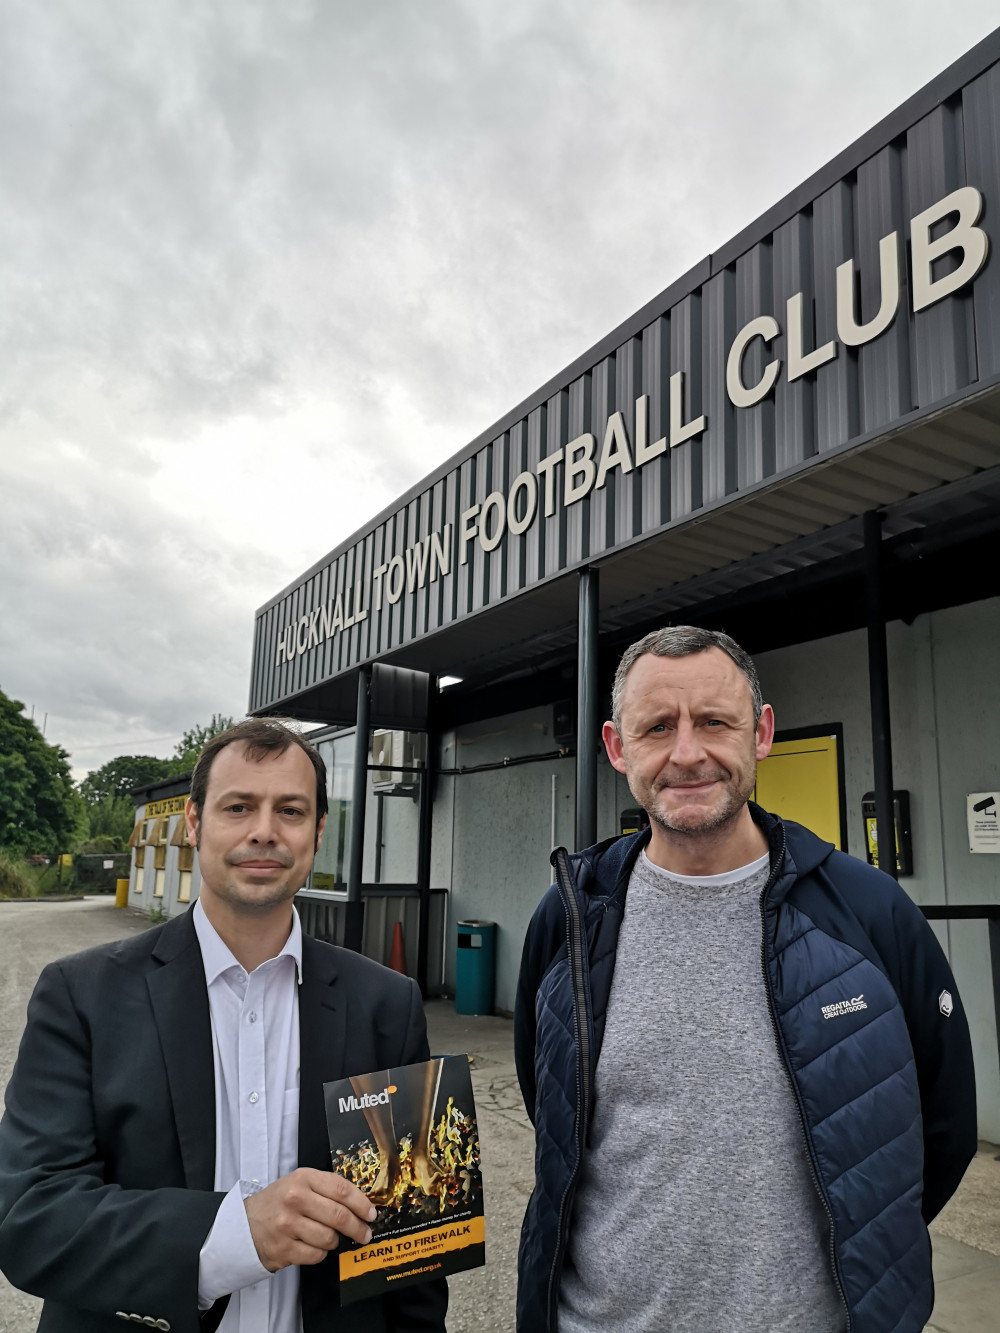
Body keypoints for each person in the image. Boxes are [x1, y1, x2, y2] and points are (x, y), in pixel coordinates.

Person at [514, 626, 976, 1333]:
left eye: (714, 721)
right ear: (616, 747)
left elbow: (942, 1126)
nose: (688, 752)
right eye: (658, 726)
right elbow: (551, 1108)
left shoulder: (868, 910)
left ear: (761, 732)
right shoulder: (572, 918)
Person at [0, 718, 448, 1333]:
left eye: (290, 811)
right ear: (194, 823)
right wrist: (235, 1236)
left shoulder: (386, 1004)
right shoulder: (81, 996)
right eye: (239, 807)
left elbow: (415, 1241)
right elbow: (31, 1219)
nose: (264, 832)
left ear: (318, 832)